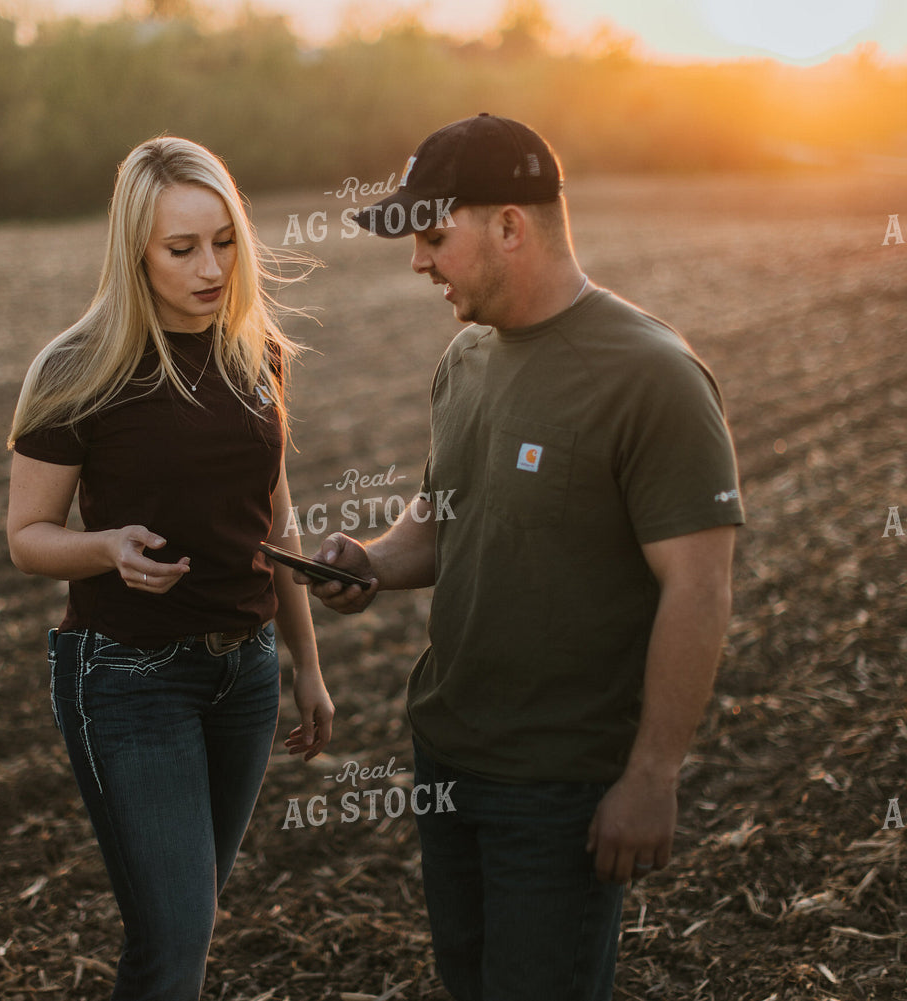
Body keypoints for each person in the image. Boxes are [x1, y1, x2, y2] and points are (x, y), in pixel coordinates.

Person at [300, 114, 745, 1001]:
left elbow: (697, 589)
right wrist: (371, 563)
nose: (417, 263)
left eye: (433, 238)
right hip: (447, 756)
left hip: (557, 784)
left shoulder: (652, 376)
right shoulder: (466, 359)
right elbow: (445, 515)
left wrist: (652, 775)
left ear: (510, 225)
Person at [5, 136, 334, 1001]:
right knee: (176, 939)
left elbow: (277, 517)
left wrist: (306, 663)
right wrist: (106, 547)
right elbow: (27, 535)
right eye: (181, 248)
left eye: (224, 242)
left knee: (186, 925)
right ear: (135, 253)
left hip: (245, 673)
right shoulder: (77, 368)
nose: (212, 268)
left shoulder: (255, 352)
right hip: (128, 678)